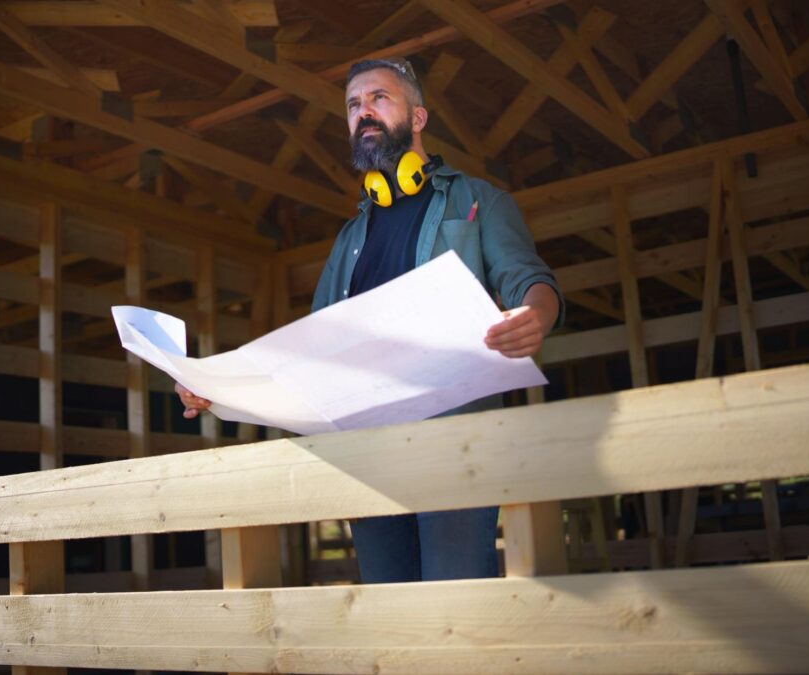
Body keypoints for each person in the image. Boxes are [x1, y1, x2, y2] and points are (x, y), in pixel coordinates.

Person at [176, 57, 564, 584]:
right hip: (367, 455)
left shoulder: (478, 201)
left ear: (419, 117)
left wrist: (535, 315)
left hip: (455, 447)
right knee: (392, 617)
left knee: (456, 612)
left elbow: (531, 281)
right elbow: (305, 355)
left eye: (379, 98)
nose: (364, 112)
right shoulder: (348, 239)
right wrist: (214, 389)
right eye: (354, 105)